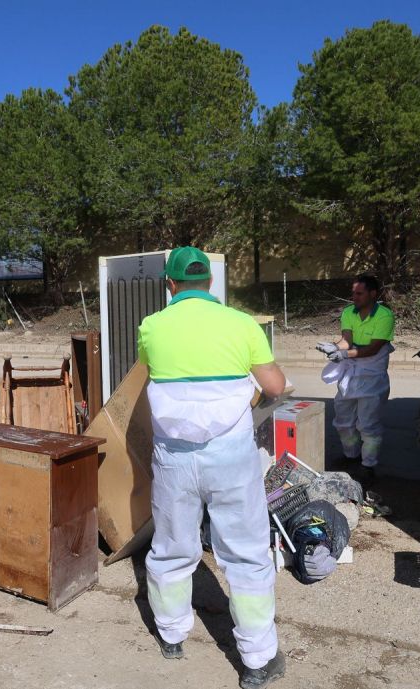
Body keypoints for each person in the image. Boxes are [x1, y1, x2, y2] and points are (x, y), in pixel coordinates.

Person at [137, 246, 288, 689]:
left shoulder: (152, 327)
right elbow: (275, 386)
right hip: (230, 456)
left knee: (171, 545)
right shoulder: (241, 324)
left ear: (170, 284)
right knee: (245, 553)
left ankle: (171, 636)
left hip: (174, 458)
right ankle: (258, 661)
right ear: (209, 284)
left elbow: (152, 375)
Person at [316, 275, 395, 483]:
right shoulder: (349, 312)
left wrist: (345, 354)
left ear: (373, 294)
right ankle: (351, 455)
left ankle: (368, 465)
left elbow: (374, 348)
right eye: (353, 293)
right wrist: (335, 347)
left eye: (359, 293)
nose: (354, 297)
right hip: (351, 374)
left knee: (368, 424)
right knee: (343, 420)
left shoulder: (385, 316)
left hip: (372, 376)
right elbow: (347, 341)